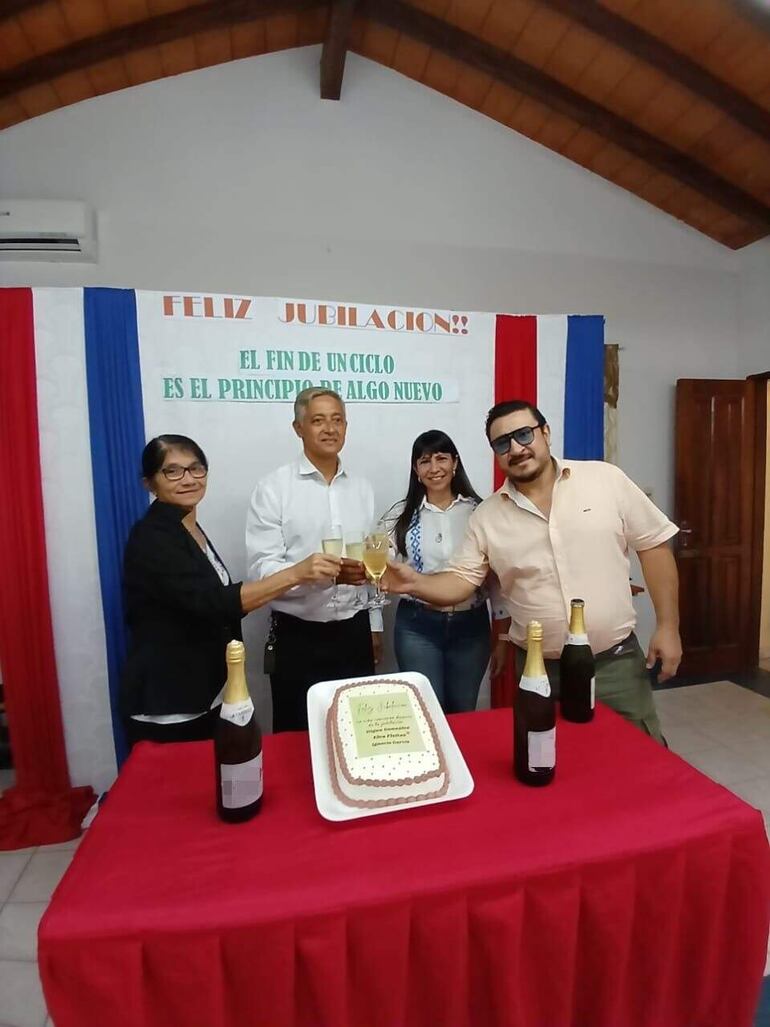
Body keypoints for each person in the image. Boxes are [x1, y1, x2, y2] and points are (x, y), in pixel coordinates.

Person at [383, 400, 681, 742]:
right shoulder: (488, 516)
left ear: (546, 434)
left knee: (639, 764)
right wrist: (414, 583)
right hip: (540, 673)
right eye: (502, 443)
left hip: (614, 664)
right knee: (549, 768)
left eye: (524, 434)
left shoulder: (604, 479)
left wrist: (668, 626)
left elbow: (654, 545)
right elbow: (462, 581)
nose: (516, 448)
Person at [121, 434, 340, 746]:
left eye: (196, 468)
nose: (188, 479)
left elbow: (218, 600)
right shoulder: (153, 538)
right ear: (149, 483)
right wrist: (297, 572)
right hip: (169, 700)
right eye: (172, 471)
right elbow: (214, 603)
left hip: (206, 690)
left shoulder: (187, 526)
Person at [246, 388, 382, 732]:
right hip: (297, 637)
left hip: (354, 632)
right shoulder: (273, 488)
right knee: (298, 737)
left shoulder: (362, 488)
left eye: (337, 420)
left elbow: (373, 560)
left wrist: (375, 624)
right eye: (318, 420)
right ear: (298, 428)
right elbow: (262, 570)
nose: (330, 429)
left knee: (357, 733)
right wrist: (307, 573)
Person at [384, 429, 509, 713]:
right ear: (416, 470)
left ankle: (461, 760)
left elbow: (497, 583)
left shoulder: (481, 512)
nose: (434, 468)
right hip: (417, 627)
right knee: (426, 712)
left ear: (455, 463)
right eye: (425, 461)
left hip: (471, 627)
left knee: (463, 710)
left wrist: (502, 637)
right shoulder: (400, 516)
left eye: (441, 458)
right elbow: (379, 563)